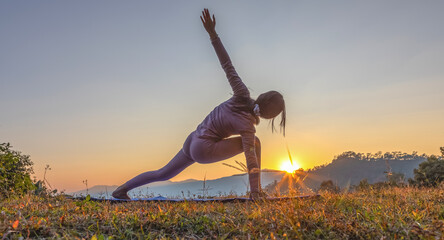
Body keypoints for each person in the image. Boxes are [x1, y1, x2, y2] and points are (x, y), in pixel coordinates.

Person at [112, 8, 286, 200]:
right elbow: (251, 158)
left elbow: (227, 66)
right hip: (203, 149)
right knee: (255, 144)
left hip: (192, 140)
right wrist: (254, 193)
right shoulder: (248, 127)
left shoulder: (241, 94)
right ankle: (256, 193)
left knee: (162, 173)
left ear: (262, 96)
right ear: (270, 116)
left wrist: (213, 35)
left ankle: (120, 190)